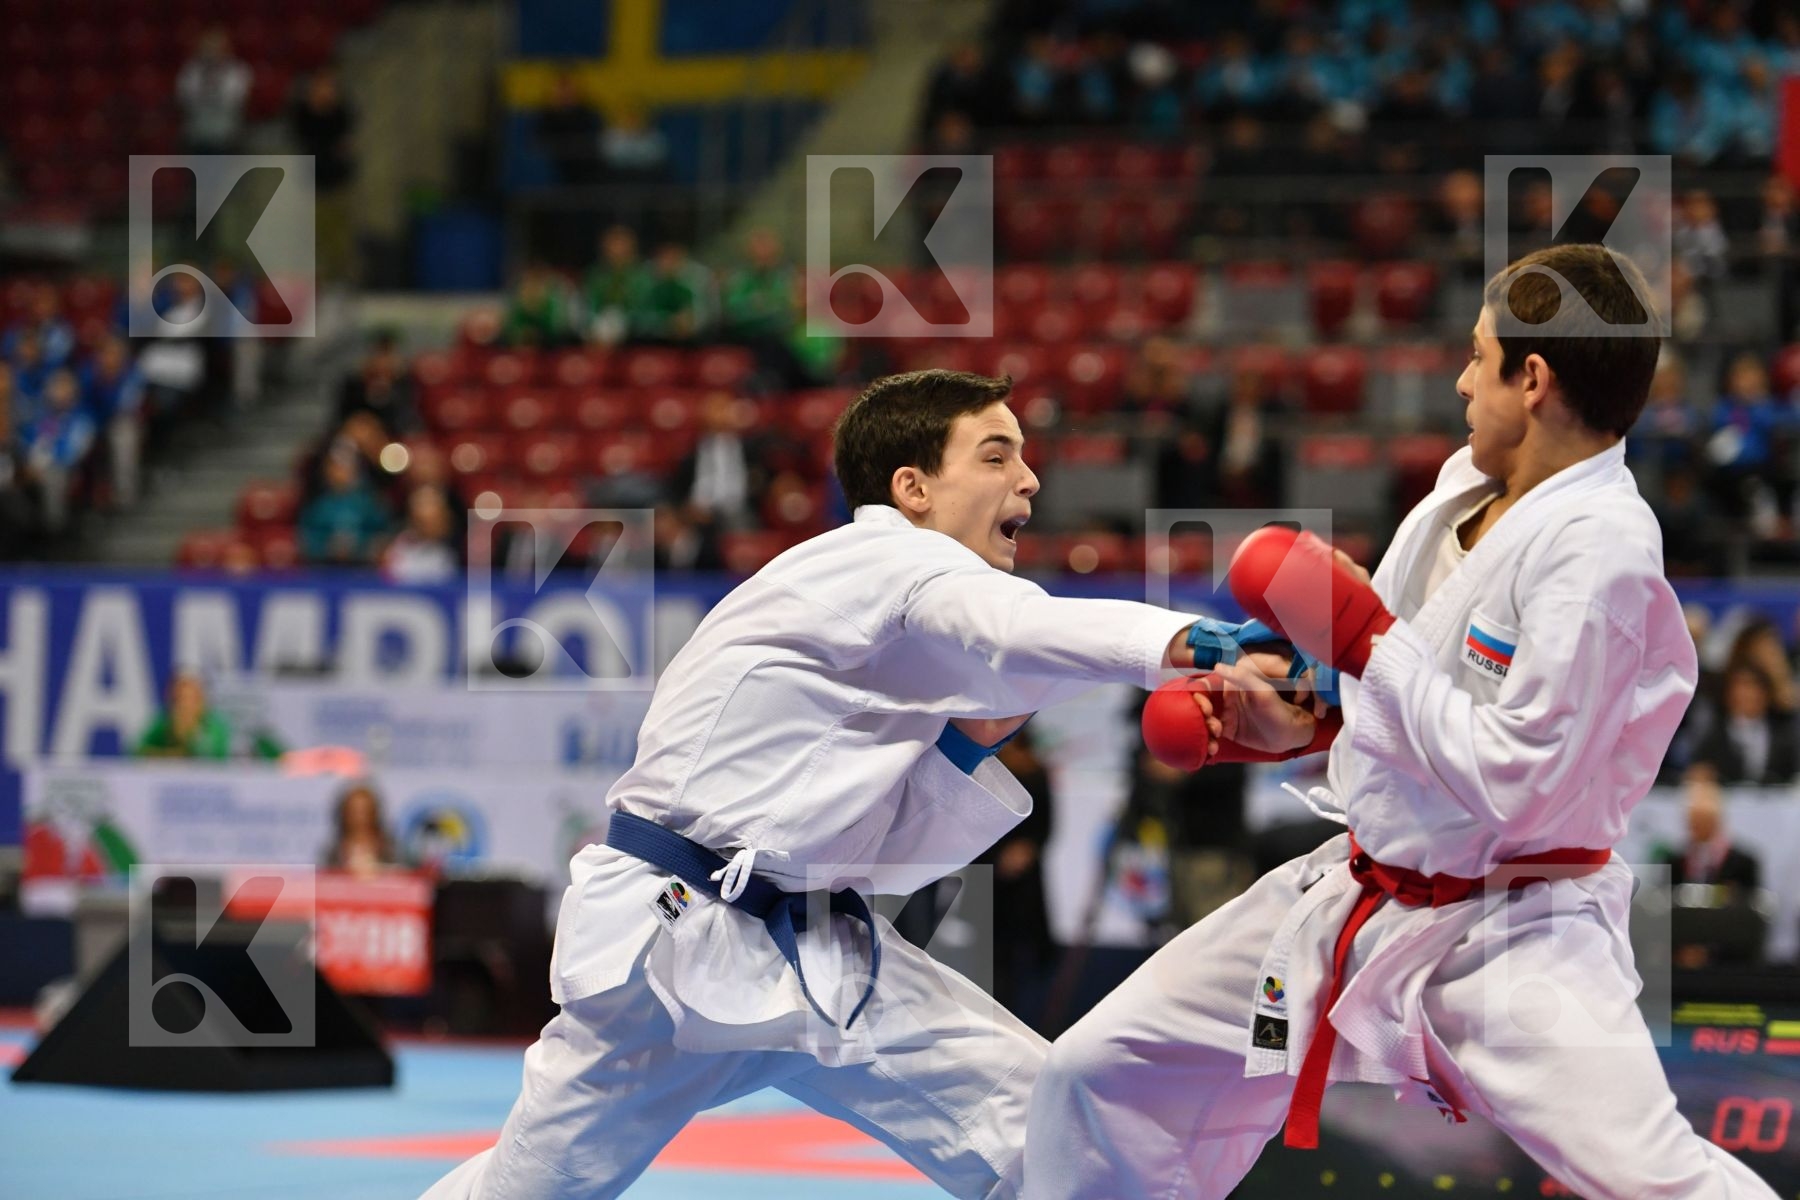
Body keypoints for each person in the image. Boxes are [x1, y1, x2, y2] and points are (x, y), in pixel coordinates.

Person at [1026, 245, 1779, 1199]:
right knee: (1095, 1071)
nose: (1463, 380)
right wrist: (1290, 720)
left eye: (1479, 356)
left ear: (1532, 379)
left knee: (1656, 1183)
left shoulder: (1604, 557)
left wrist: (1371, 645)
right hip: (1358, 891)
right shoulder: (1461, 487)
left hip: (1513, 933)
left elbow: (1515, 780)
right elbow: (1375, 692)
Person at [420, 369, 1224, 1200]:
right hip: (675, 942)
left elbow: (906, 819)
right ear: (912, 488)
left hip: (818, 952)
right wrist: (1202, 644)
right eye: (996, 455)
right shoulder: (886, 560)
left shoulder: (910, 622)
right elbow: (1023, 632)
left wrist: (973, 745)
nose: (1030, 479)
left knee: (1059, 1139)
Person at [322, 781, 403, 878]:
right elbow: (326, 881)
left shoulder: (390, 848)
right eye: (354, 811)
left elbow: (402, 877)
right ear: (344, 813)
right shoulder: (333, 851)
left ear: (374, 812)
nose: (359, 817)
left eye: (364, 811)